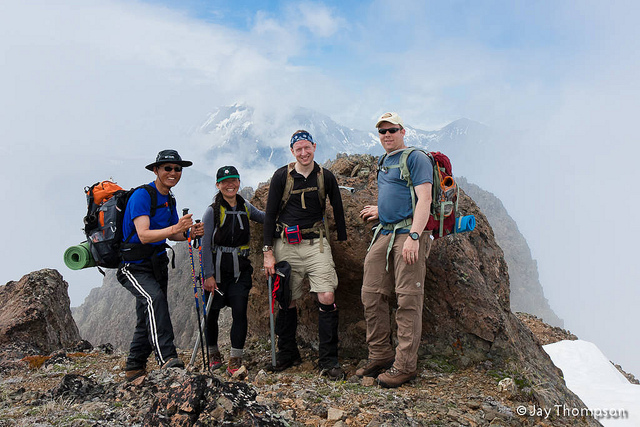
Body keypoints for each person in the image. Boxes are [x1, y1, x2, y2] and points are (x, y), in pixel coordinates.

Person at [262, 130, 347, 380]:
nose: (303, 153)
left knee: (327, 294)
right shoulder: (282, 176)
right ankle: (288, 352)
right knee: (286, 297)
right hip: (285, 244)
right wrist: (268, 252)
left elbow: (338, 207)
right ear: (292, 151)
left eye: (307, 148)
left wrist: (342, 237)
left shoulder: (325, 176)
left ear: (314, 147)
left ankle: (329, 359)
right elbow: (269, 214)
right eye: (298, 149)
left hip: (316, 244)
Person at [358, 112, 434, 388]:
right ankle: (380, 354)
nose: (387, 135)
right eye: (382, 131)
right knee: (371, 293)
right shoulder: (384, 160)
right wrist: (382, 210)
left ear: (403, 131)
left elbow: (424, 198)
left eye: (392, 130)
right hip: (386, 231)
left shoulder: (416, 158)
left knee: (407, 299)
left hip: (408, 234)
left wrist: (415, 235)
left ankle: (404, 366)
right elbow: (397, 193)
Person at [117, 149, 204, 382]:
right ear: (156, 170)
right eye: (167, 168)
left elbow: (170, 235)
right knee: (155, 302)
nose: (173, 172)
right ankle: (168, 359)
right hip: (134, 266)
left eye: (177, 169)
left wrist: (188, 233)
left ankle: (134, 367)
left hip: (157, 263)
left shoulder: (168, 198)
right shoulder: (142, 196)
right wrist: (176, 229)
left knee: (148, 313)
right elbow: (144, 235)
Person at [201, 166, 265, 376]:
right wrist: (208, 275)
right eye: (225, 181)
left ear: (238, 182)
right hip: (217, 274)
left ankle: (235, 359)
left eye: (234, 180)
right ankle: (213, 354)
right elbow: (205, 244)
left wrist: (283, 215)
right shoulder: (211, 211)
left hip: (240, 271)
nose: (230, 185)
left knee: (239, 312)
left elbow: (263, 217)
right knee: (212, 314)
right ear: (218, 185)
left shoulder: (244, 206)